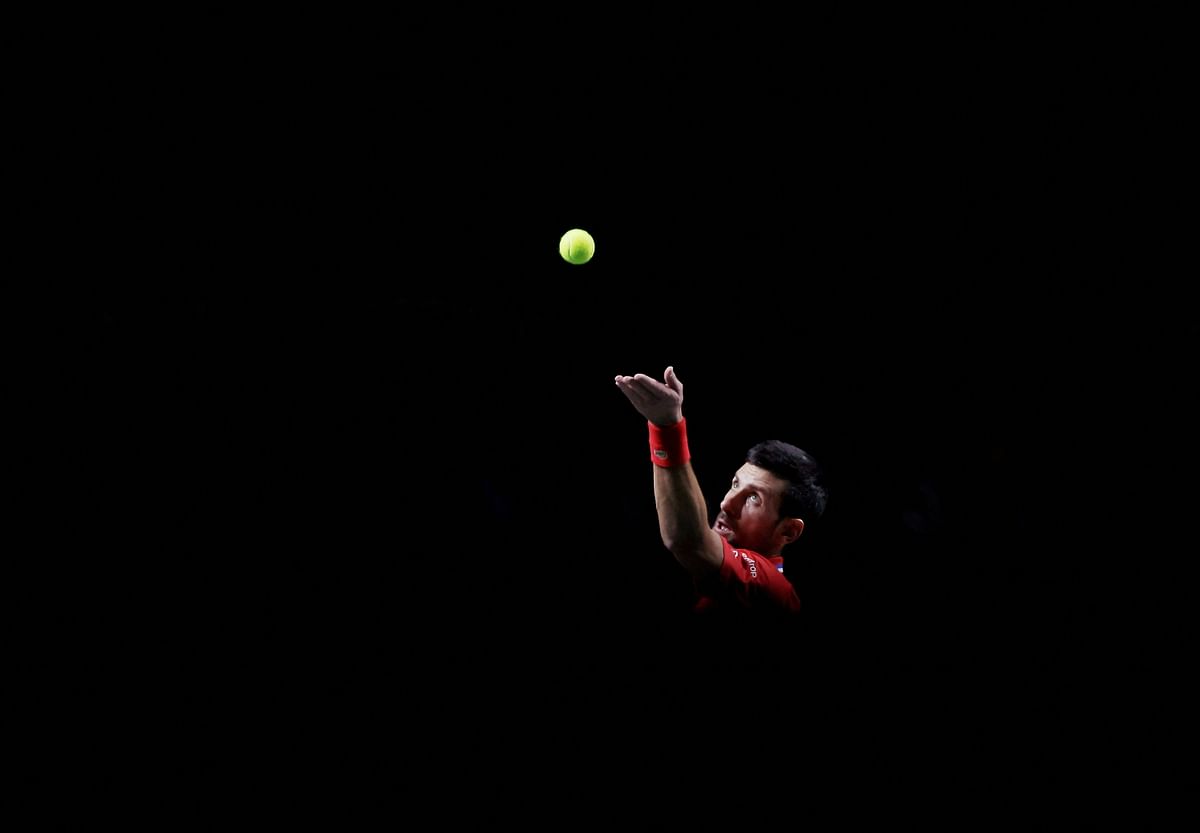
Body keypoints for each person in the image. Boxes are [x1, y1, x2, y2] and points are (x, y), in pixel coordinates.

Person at [614, 366, 827, 616]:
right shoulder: (709, 578)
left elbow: (688, 541)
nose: (727, 504)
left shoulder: (773, 589)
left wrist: (666, 428)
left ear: (789, 531)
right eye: (736, 484)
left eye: (753, 498)